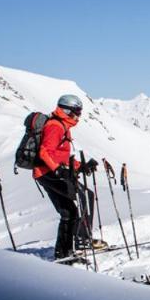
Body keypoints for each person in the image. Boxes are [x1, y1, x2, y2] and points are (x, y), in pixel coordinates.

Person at [33, 94, 102, 262]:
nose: (79, 115)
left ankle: (64, 252)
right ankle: (80, 241)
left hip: (51, 172)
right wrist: (58, 171)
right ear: (67, 111)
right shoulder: (55, 126)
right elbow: (44, 152)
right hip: (48, 174)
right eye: (76, 111)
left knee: (68, 211)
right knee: (83, 198)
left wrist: (80, 166)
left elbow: (61, 155)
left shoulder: (63, 126)